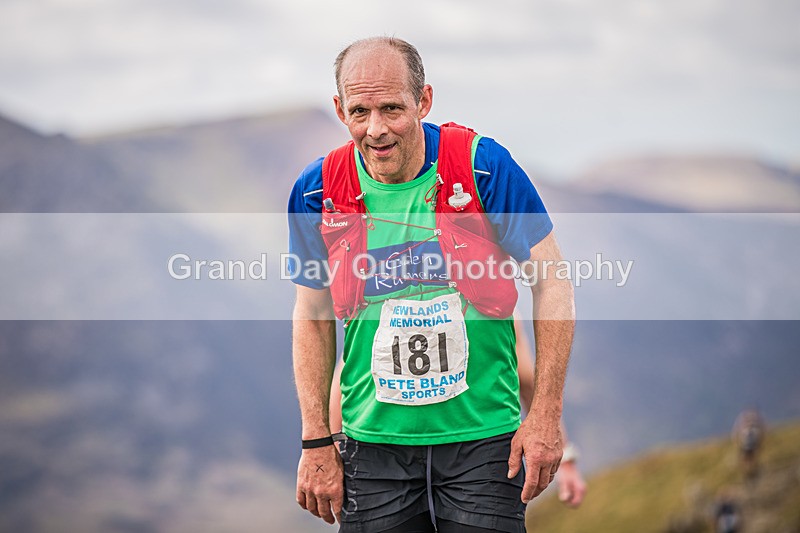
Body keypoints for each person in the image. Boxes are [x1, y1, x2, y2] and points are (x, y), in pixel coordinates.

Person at [288, 36, 575, 532]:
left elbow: (552, 282)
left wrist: (546, 416)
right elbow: (312, 314)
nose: (376, 129)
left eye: (392, 109)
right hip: (371, 451)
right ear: (339, 109)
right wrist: (316, 440)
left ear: (424, 100)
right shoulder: (316, 191)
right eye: (360, 111)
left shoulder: (485, 168)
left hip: (485, 446)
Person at [328, 318, 587, 509]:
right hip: (475, 466)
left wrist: (334, 451)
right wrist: (565, 457)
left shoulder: (384, 298)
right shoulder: (487, 300)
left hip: (386, 465)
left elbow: (348, 378)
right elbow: (527, 379)